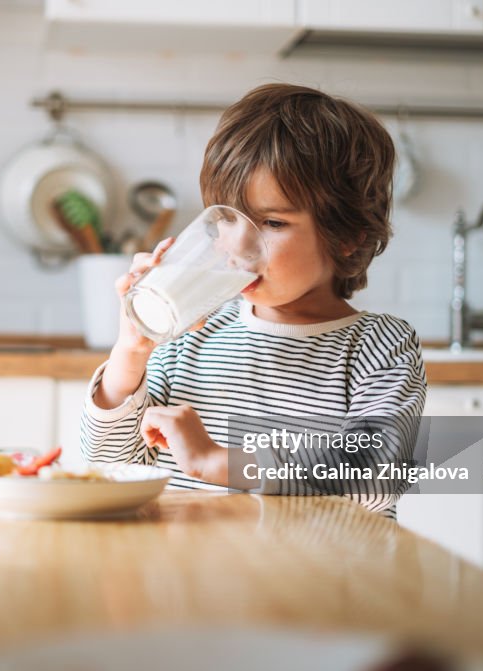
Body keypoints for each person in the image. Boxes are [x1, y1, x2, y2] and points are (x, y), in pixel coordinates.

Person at [81, 83, 427, 518]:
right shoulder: (190, 332)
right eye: (226, 218)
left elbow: (376, 477)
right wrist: (129, 355)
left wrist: (219, 462)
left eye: (271, 222)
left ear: (347, 236)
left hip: (326, 582)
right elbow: (110, 466)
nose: (237, 246)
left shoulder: (378, 347)